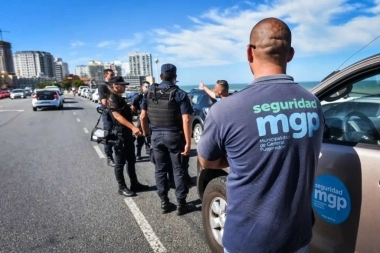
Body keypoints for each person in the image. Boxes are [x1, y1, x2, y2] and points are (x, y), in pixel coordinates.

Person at [197, 17, 324, 253]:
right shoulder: (313, 103)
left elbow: (206, 161)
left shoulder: (225, 110)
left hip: (248, 240)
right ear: (290, 54)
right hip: (298, 236)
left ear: (249, 52)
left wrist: (241, 157)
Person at [140, 63, 194, 215]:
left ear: (161, 76)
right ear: (175, 78)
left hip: (156, 136)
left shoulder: (149, 92)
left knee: (160, 170)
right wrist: (188, 143)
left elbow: (143, 116)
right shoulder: (180, 94)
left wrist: (146, 135)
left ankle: (164, 202)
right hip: (174, 136)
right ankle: (181, 204)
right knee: (179, 170)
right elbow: (187, 120)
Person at [106, 76, 150, 197]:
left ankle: (134, 183)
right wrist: (133, 128)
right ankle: (122, 187)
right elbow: (117, 116)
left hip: (127, 135)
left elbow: (126, 113)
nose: (125, 87)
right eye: (123, 85)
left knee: (131, 160)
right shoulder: (112, 98)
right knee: (120, 163)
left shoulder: (119, 97)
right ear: (116, 86)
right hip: (120, 135)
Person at [98, 69, 116, 167]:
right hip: (108, 113)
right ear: (106, 75)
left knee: (118, 133)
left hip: (116, 113)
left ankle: (118, 153)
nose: (113, 76)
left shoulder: (113, 85)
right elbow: (104, 102)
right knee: (108, 133)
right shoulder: (103, 86)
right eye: (111, 74)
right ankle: (109, 157)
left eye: (114, 74)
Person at [131, 81, 151, 160]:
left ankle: (149, 150)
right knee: (140, 136)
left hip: (151, 118)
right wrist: (139, 115)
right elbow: (133, 109)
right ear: (142, 87)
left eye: (149, 86)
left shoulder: (152, 96)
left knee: (150, 135)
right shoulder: (138, 97)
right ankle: (138, 152)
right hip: (141, 117)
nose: (148, 88)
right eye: (146, 86)